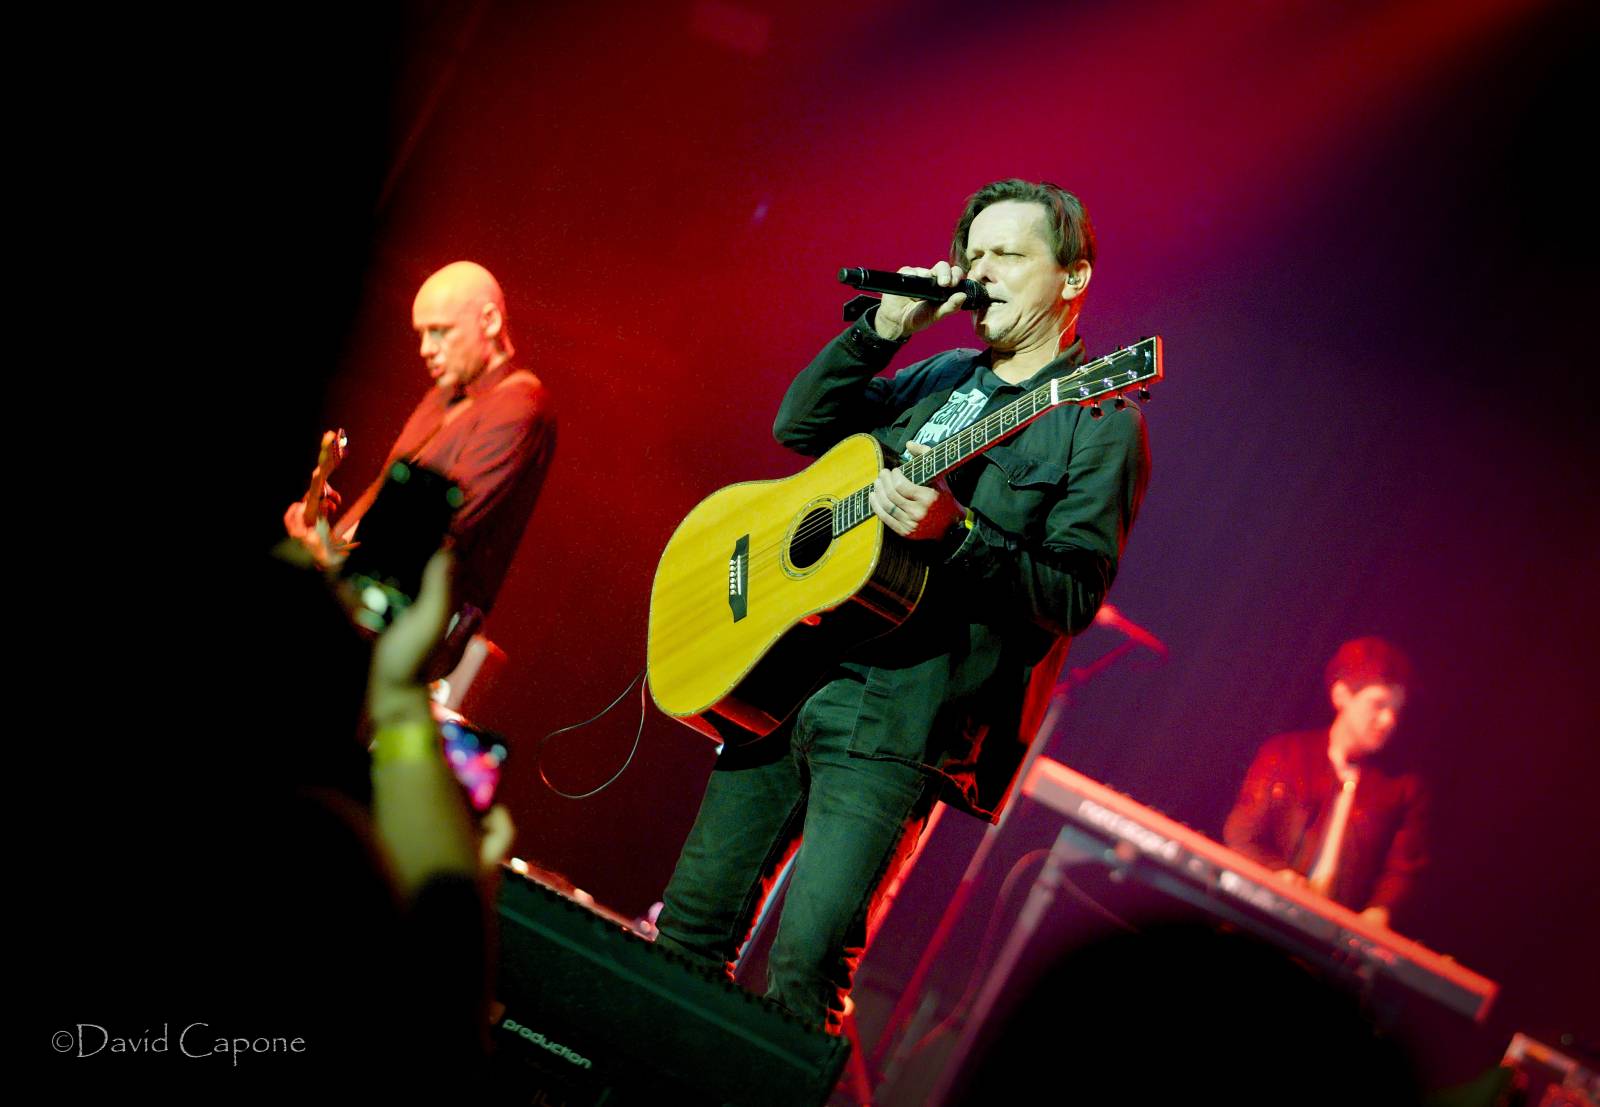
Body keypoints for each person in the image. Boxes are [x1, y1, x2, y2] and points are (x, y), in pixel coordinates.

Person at [654, 179, 1150, 1032]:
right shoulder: (942, 374)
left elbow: (1072, 594)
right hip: (789, 678)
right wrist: (878, 331)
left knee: (803, 971)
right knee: (687, 926)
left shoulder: (1099, 420)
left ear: (1072, 279)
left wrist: (957, 535)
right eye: (975, 253)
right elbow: (801, 424)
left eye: (1009, 255)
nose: (980, 272)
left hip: (901, 720)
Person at [285, 261, 555, 651]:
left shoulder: (521, 405)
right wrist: (330, 534)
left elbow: (442, 531)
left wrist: (334, 558)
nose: (426, 349)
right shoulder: (441, 397)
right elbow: (385, 497)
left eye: (440, 332)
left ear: (491, 321)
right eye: (422, 334)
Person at [1223, 637, 1428, 929]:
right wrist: (1278, 873)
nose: (1388, 720)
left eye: (1396, 709)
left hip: (1332, 942)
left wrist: (1379, 910)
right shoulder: (1284, 754)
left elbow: (1402, 869)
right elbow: (1241, 833)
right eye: (1379, 705)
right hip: (1257, 919)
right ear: (1341, 695)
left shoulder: (1404, 787)